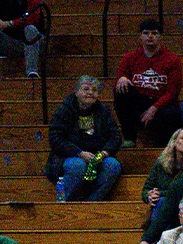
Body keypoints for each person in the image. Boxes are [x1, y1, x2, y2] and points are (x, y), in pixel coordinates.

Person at [46, 75, 124, 203]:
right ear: (76, 92)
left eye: (94, 90)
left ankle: (91, 203)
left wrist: (104, 153)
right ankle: (66, 204)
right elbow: (55, 138)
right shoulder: (65, 110)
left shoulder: (103, 111)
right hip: (69, 156)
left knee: (113, 165)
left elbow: (115, 136)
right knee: (77, 166)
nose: (90, 93)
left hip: (98, 157)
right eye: (86, 89)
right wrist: (79, 153)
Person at [115, 19, 183, 147]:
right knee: (120, 90)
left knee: (172, 114)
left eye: (155, 33)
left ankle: (163, 147)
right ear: (140, 37)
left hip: (161, 104)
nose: (150, 37)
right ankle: (129, 138)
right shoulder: (129, 57)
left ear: (161, 37)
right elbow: (121, 74)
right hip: (139, 102)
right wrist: (122, 78)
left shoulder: (173, 59)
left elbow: (172, 92)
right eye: (146, 33)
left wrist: (153, 109)